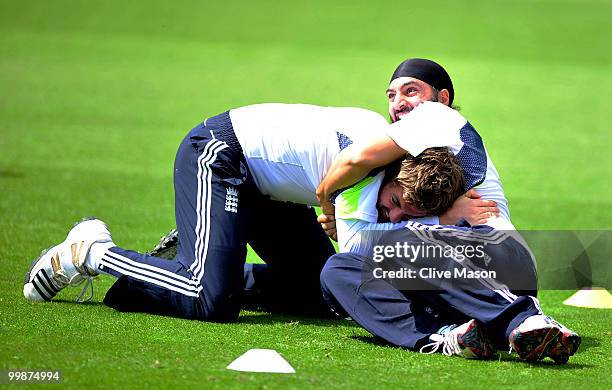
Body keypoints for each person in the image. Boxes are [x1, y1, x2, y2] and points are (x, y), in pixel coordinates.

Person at [22, 103, 468, 322]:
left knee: (319, 293)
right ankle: (90, 251)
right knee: (210, 301)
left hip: (266, 190)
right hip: (218, 156)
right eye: (394, 207)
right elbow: (354, 257)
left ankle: (160, 277)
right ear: (393, 175)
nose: (393, 217)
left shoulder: (395, 149)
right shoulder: (361, 178)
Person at [316, 58, 581, 363]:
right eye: (391, 95)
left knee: (397, 245)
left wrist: (326, 195)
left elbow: (355, 160)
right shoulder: (410, 151)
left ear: (442, 98)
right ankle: (450, 334)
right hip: (446, 282)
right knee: (338, 270)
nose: (398, 104)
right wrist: (439, 218)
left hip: (499, 261)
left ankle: (523, 321)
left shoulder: (436, 117)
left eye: (410, 91)